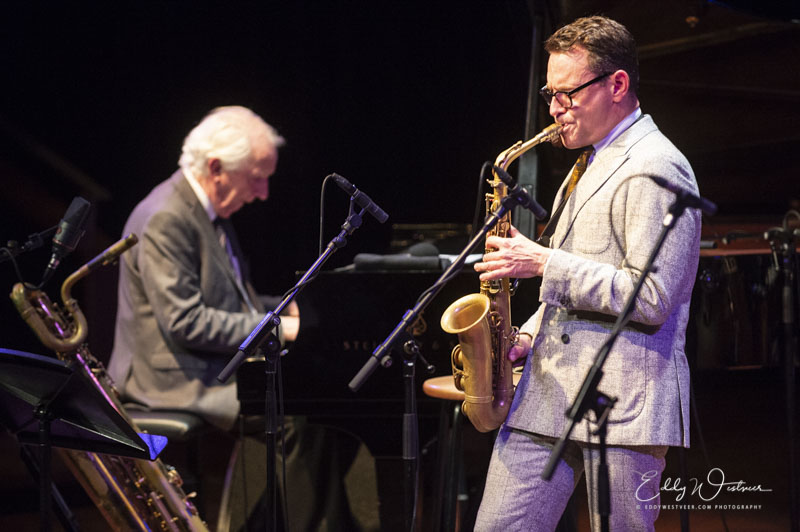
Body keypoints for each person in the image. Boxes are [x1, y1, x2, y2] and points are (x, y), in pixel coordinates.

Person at [472, 16, 701, 531]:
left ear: (617, 85)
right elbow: (574, 284)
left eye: (567, 95)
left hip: (620, 405)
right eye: (550, 94)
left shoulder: (656, 165)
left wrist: (542, 262)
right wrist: (527, 332)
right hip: (549, 394)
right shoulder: (588, 162)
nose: (553, 111)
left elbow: (652, 296)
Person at [109, 105, 298, 431]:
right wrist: (282, 328)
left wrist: (288, 308)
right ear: (216, 168)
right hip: (169, 382)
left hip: (201, 369)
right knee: (294, 418)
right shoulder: (167, 217)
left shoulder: (209, 212)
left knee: (308, 403)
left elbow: (228, 300)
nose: (263, 194)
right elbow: (186, 322)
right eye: (256, 179)